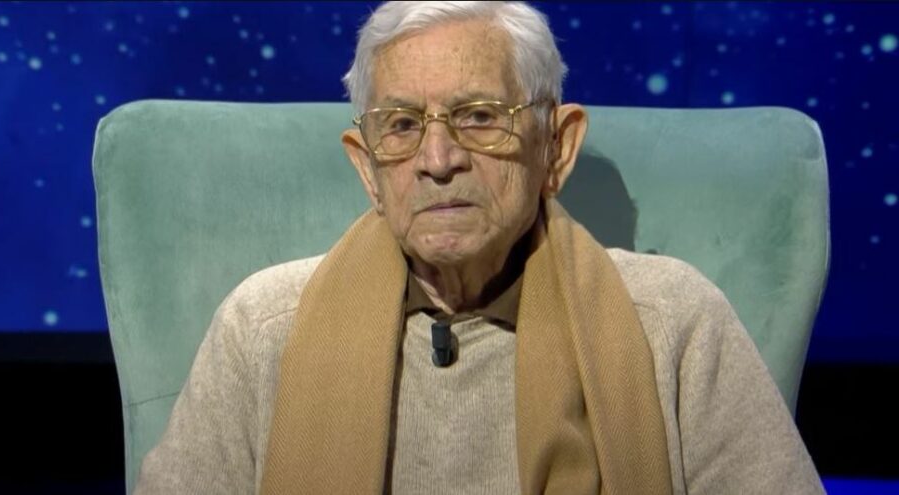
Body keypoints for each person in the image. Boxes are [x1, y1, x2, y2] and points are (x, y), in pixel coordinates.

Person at [134, 2, 824, 494]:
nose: (438, 159)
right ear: (367, 168)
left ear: (557, 147)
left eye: (480, 116)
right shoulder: (261, 329)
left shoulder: (673, 321)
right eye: (401, 125)